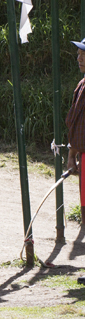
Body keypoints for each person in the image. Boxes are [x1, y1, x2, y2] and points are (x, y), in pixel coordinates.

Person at [65, 40, 85, 210]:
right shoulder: (81, 85)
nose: (79, 58)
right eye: (79, 54)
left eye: (84, 55)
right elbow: (76, 124)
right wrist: (72, 156)